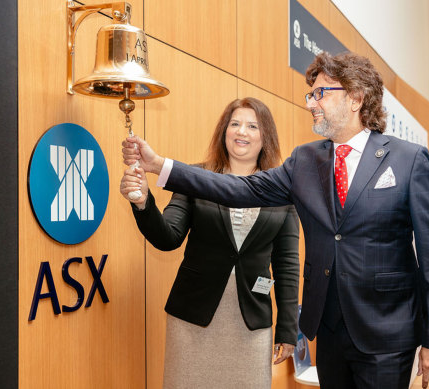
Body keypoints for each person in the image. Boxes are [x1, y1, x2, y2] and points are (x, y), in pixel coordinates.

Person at [122, 52, 429, 389]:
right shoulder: (306, 160)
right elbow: (239, 189)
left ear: (356, 98)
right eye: (310, 94)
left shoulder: (409, 160)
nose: (312, 103)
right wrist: (161, 166)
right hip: (327, 332)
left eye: (321, 93)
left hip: (388, 333)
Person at [120, 97, 300, 388]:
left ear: (266, 136)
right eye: (235, 124)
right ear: (224, 132)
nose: (242, 132)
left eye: (253, 126)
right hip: (193, 317)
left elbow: (287, 266)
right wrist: (143, 202)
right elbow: (168, 238)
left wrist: (288, 330)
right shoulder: (195, 177)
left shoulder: (282, 191)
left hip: (252, 320)